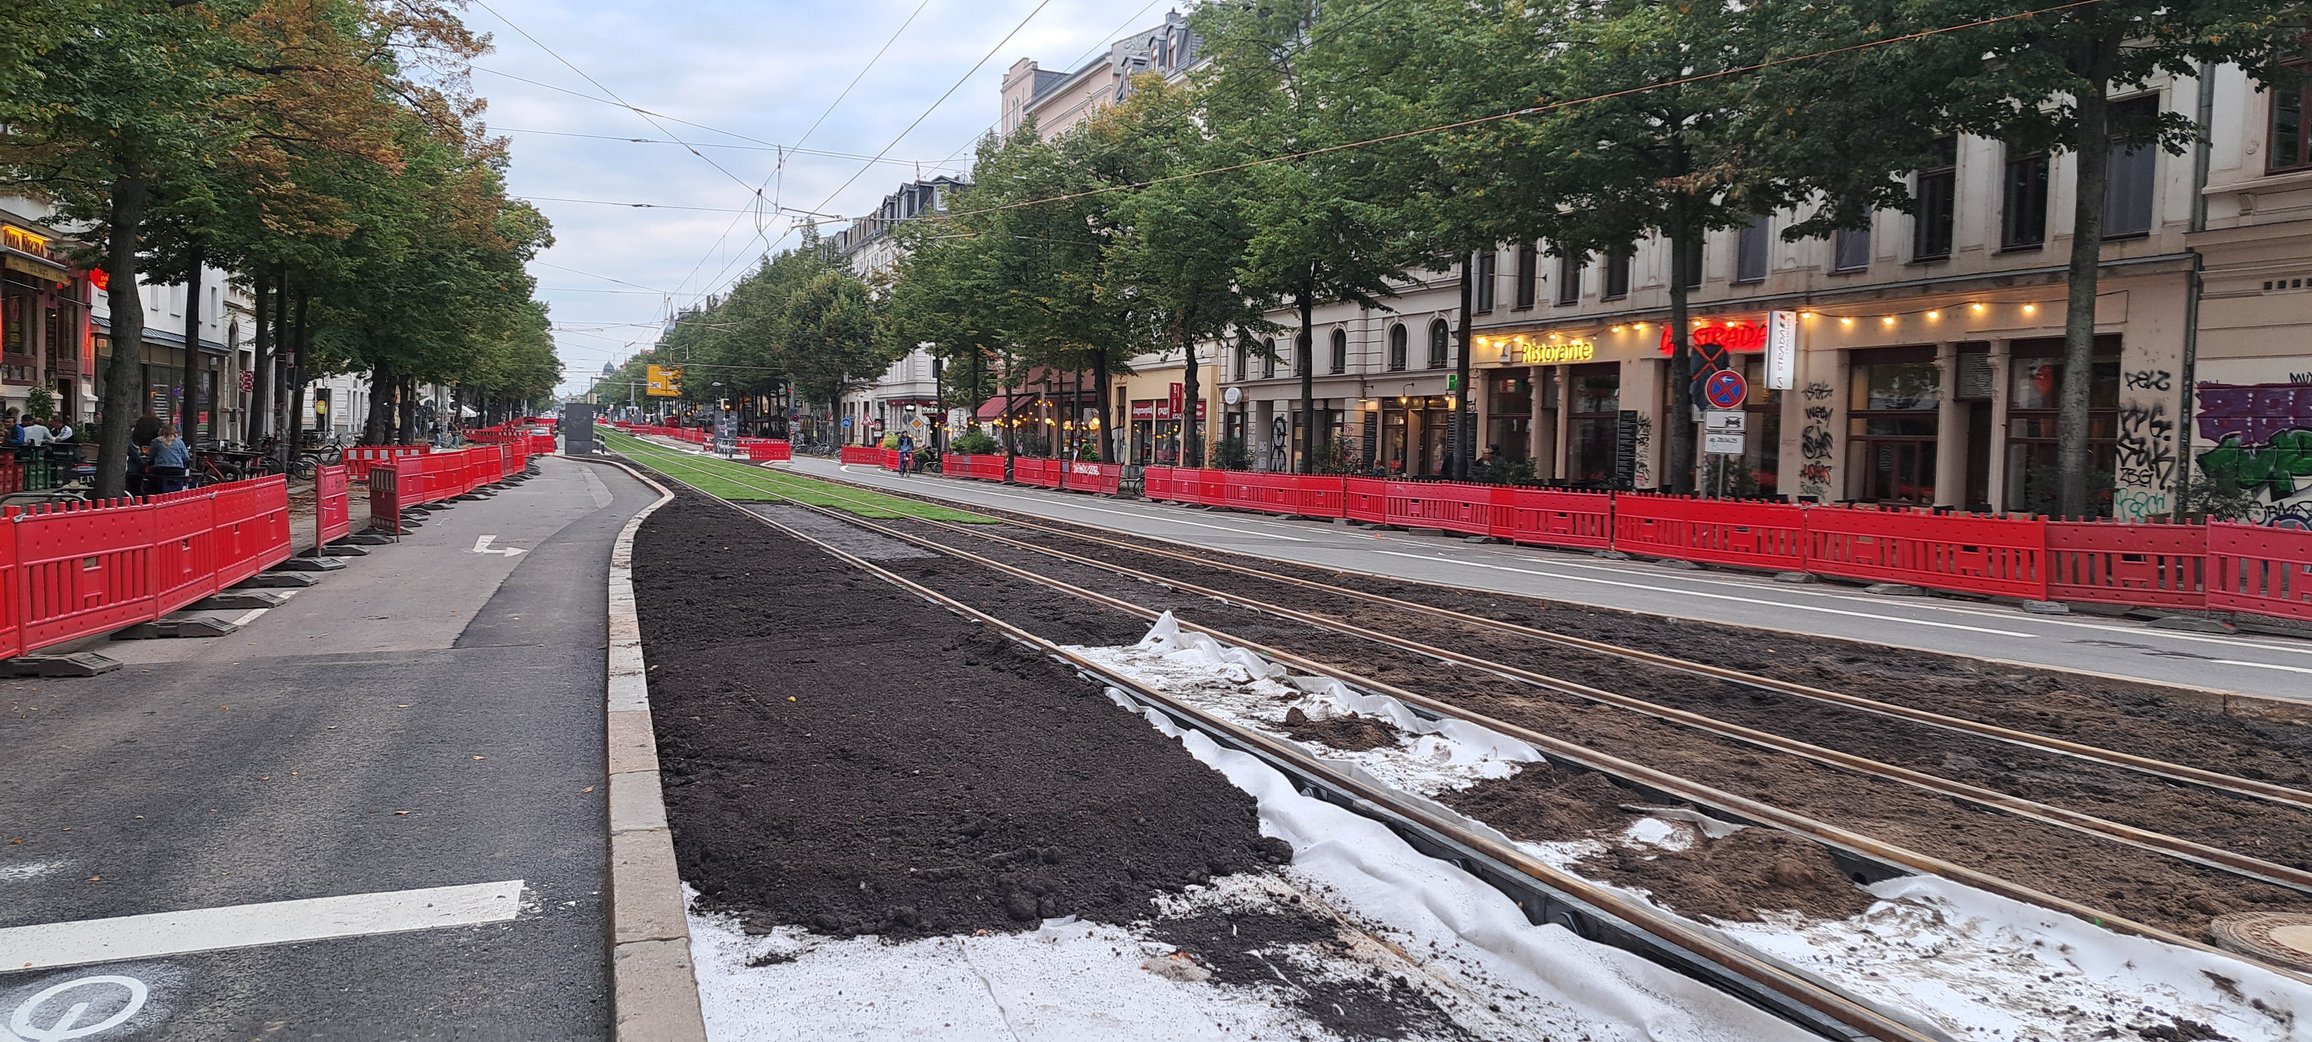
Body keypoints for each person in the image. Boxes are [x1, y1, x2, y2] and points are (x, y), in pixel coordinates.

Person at [147, 424, 191, 493]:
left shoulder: (156, 441)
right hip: (177, 469)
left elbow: (151, 456)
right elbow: (186, 457)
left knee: (154, 481)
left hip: (161, 468)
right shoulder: (179, 442)